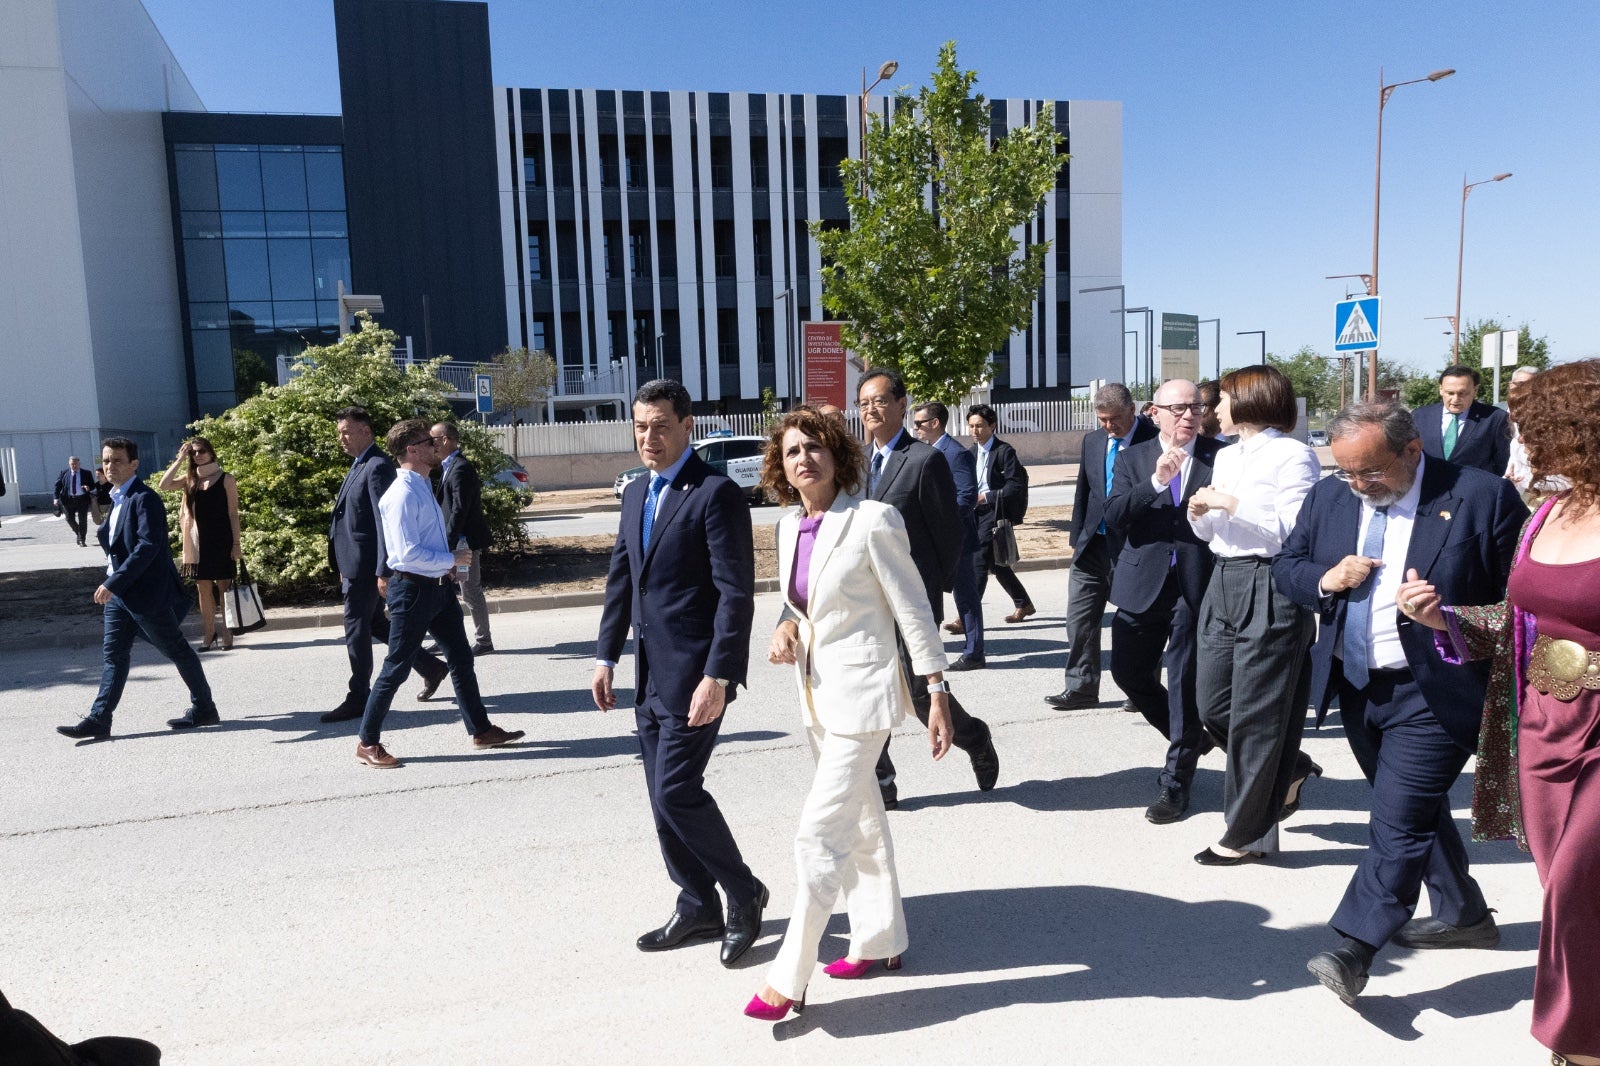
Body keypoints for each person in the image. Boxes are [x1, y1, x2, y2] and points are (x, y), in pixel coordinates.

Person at [1272, 401, 1526, 1004]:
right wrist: (1325, 580)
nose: (1359, 486)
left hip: (1435, 687)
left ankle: (1355, 947)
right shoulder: (1333, 497)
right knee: (1412, 809)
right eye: (1347, 473)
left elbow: (1522, 603)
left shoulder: (1480, 496)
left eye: (1371, 472)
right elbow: (1288, 567)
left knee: (1397, 819)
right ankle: (1464, 915)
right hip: (1358, 682)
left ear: (1412, 450)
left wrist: (1448, 617)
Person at [1399, 359, 1600, 1065]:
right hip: (1543, 726)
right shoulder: (1550, 509)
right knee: (1566, 895)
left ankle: (1577, 1046)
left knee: (1579, 892)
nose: (1524, 441)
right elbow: (1521, 619)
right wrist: (1444, 618)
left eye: (1537, 427)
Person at [744, 408, 954, 1022]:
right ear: (780, 469)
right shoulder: (788, 527)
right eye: (791, 452)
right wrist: (786, 627)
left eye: (814, 447)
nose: (804, 458)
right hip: (816, 694)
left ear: (838, 455)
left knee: (818, 833)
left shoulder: (872, 520)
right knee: (862, 822)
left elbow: (913, 609)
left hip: (864, 699)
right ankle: (880, 938)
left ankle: (790, 976)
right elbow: (798, 599)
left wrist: (936, 688)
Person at [593, 379, 767, 968]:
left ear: (687, 426)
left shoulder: (715, 494)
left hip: (697, 677)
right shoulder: (636, 491)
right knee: (659, 799)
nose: (649, 437)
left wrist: (719, 676)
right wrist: (604, 655)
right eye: (641, 426)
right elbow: (624, 579)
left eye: (660, 426)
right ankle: (697, 903)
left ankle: (744, 893)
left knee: (677, 790)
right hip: (649, 678)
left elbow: (734, 594)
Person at [774, 367, 999, 806]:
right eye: (864, 403)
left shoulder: (922, 460)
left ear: (901, 405)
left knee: (917, 692)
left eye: (880, 401)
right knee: (867, 690)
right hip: (858, 601)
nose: (871, 410)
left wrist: (928, 590)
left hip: (904, 597)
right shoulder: (851, 463)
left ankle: (975, 737)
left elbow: (947, 535)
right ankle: (882, 782)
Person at [1185, 366, 1321, 865]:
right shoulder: (1225, 456)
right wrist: (1201, 516)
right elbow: (1213, 533)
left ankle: (1241, 833)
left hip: (1272, 582)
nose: (1212, 409)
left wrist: (1229, 503)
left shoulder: (1294, 455)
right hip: (1223, 578)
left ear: (1247, 400)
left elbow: (1291, 532)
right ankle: (1288, 771)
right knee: (1212, 706)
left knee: (1259, 716)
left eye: (1219, 400)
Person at [351, 419, 524, 768]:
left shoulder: (422, 485)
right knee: (397, 667)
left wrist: (446, 566)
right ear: (412, 450)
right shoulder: (401, 494)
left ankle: (480, 730)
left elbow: (424, 543)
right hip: (412, 590)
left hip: (438, 588)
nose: (436, 445)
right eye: (428, 442)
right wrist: (451, 558)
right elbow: (405, 553)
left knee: (461, 658)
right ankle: (367, 743)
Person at [1105, 378, 1227, 823]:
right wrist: (1156, 482)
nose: (1189, 415)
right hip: (1142, 584)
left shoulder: (1222, 457)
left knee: (1183, 685)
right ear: (1153, 413)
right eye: (1178, 408)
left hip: (1198, 585)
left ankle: (1176, 781)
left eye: (1196, 407)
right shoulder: (1134, 458)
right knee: (1129, 673)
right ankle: (1192, 741)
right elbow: (1114, 516)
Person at [57, 437, 222, 739]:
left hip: (145, 594)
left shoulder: (144, 498)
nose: (110, 466)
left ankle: (204, 707)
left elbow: (148, 546)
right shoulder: (118, 497)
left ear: (134, 464)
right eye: (106, 461)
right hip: (121, 596)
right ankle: (99, 718)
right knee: (114, 655)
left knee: (176, 649)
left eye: (117, 460)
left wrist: (114, 581)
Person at [321, 407, 448, 724]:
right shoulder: (359, 463)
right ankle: (431, 666)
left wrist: (383, 570)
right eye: (339, 432)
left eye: (346, 432)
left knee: (357, 629)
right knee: (376, 624)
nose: (341, 438)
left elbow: (383, 524)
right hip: (355, 564)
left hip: (368, 568)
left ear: (366, 431)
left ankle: (359, 697)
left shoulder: (376, 466)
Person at [1049, 382, 1156, 710]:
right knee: (1079, 617)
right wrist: (1075, 536)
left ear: (1132, 410)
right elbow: (1084, 491)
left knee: (1137, 620)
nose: (1109, 426)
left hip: (1134, 545)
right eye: (1102, 419)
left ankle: (1141, 688)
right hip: (1092, 544)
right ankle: (1081, 687)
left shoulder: (1154, 441)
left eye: (1115, 419)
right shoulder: (1093, 441)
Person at [912, 401, 985, 670]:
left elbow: (966, 497)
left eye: (919, 423)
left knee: (965, 596)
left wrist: (944, 524)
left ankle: (974, 652)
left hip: (958, 539)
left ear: (935, 423)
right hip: (933, 540)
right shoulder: (926, 451)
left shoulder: (955, 453)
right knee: (929, 593)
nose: (915, 428)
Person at [157, 437, 241, 651]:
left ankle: (227, 632)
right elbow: (163, 485)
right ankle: (209, 633)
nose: (197, 455)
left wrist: (236, 544)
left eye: (201, 450)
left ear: (211, 452)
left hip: (221, 540)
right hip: (197, 542)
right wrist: (179, 459)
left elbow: (233, 514)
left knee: (224, 587)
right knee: (203, 588)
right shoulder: (190, 478)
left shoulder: (226, 479)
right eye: (193, 453)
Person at [967, 404, 1035, 623]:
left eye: (979, 426)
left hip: (993, 512)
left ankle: (967, 616)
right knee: (997, 564)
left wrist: (986, 497)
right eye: (971, 426)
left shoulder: (1004, 452)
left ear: (992, 426)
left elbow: (1014, 486)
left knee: (978, 561)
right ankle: (1023, 603)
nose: (975, 431)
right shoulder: (971, 452)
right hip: (974, 513)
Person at [430, 421, 494, 654]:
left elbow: (459, 509)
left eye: (433, 440)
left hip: (463, 542)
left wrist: (447, 541)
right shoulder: (448, 466)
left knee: (470, 590)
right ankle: (445, 637)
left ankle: (484, 641)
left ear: (445, 440)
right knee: (444, 591)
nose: (431, 445)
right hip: (453, 539)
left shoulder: (460, 468)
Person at [1414, 364, 1513, 476]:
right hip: (1431, 490)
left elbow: (1502, 461)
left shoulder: (1495, 418)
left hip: (1475, 489)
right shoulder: (1420, 416)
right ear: (1441, 389)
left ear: (1475, 390)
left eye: (1462, 393)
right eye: (1450, 393)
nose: (1456, 399)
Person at [54, 456, 96, 546]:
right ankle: (79, 534)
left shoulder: (86, 473)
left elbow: (92, 485)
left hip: (82, 499)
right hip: (68, 499)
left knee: (83, 520)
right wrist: (56, 498)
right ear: (69, 464)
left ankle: (82, 540)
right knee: (69, 519)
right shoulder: (64, 473)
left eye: (76, 464)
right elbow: (58, 486)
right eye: (72, 464)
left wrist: (88, 487)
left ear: (79, 464)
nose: (74, 466)